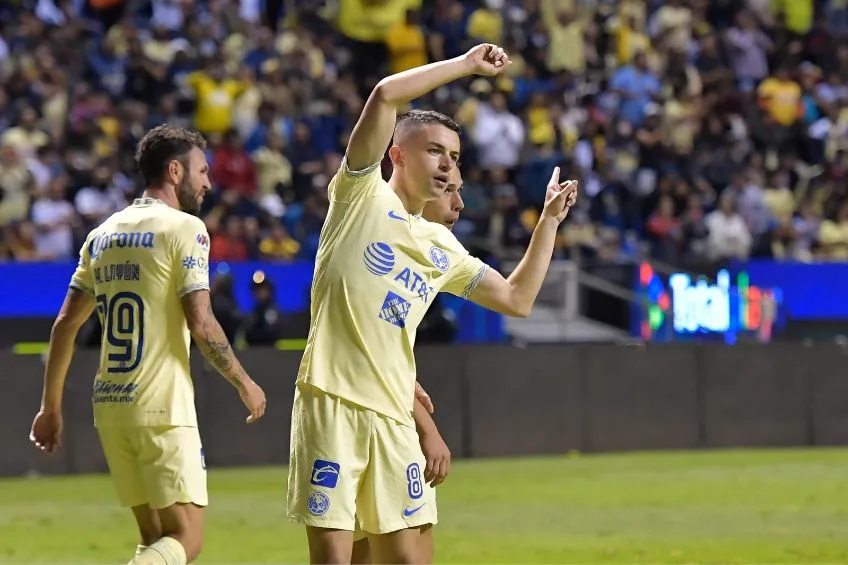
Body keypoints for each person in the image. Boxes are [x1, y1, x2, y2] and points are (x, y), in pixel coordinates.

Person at [287, 44, 578, 565]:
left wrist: (548, 223)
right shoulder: (360, 197)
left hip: (395, 418)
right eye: (435, 151)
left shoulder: (441, 246)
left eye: (456, 157)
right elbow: (384, 95)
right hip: (332, 401)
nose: (448, 166)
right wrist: (466, 66)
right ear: (397, 155)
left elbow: (516, 298)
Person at [29, 125, 267, 565]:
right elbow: (201, 320)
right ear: (175, 171)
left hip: (113, 406)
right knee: (186, 539)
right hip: (162, 406)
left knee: (154, 539)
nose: (208, 183)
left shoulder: (101, 235)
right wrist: (243, 381)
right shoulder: (186, 229)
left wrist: (51, 407)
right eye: (202, 171)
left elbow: (65, 325)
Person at [350, 169, 464, 565]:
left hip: (372, 418)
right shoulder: (374, 230)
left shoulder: (434, 254)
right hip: (374, 422)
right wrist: (428, 429)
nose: (458, 204)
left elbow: (518, 299)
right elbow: (371, 354)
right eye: (448, 190)